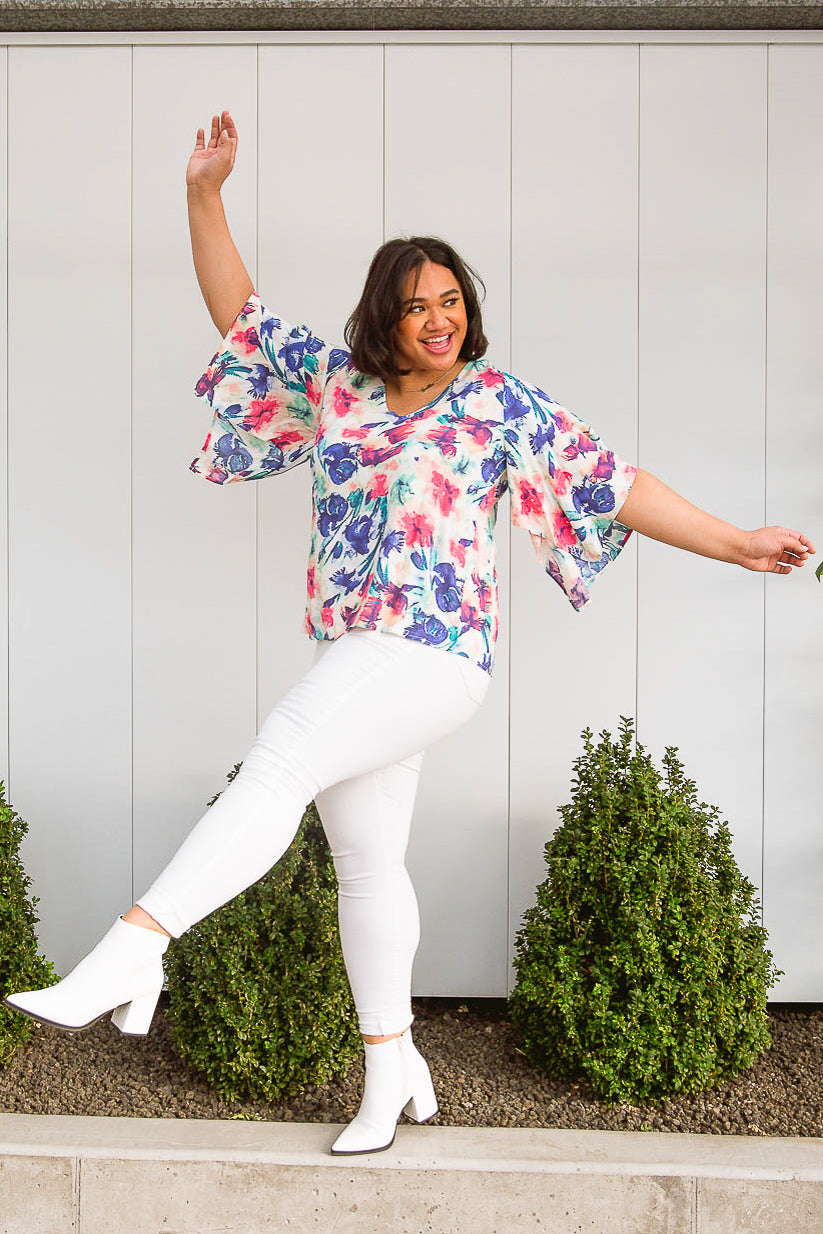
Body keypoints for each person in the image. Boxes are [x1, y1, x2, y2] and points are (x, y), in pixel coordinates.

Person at [5, 110, 815, 1156]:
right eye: (413, 306)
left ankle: (133, 946)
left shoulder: (496, 403)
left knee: (281, 756)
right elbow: (239, 318)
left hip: (432, 655)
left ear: (465, 310)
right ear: (379, 321)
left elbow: (616, 486)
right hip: (359, 653)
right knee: (367, 860)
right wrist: (205, 194)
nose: (437, 318)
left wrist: (736, 542)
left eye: (449, 300)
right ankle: (393, 1067)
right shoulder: (338, 389)